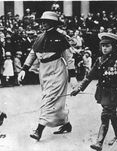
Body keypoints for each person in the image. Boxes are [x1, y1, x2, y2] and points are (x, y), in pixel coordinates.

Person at [18, 11, 72, 141]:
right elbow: (32, 53)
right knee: (52, 99)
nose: (42, 24)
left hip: (57, 70)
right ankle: (66, 124)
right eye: (42, 21)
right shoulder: (40, 37)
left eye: (45, 21)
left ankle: (39, 130)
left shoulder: (61, 38)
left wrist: (73, 76)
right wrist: (24, 68)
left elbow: (69, 58)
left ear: (52, 23)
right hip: (44, 71)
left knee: (49, 99)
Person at [70, 32, 117, 151]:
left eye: (107, 46)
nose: (105, 48)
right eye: (103, 46)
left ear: (113, 47)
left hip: (115, 93)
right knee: (111, 114)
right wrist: (78, 88)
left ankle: (99, 142)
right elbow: (89, 76)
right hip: (103, 93)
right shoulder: (99, 60)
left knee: (105, 115)